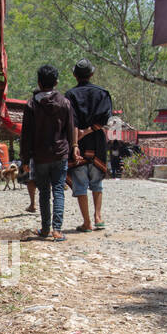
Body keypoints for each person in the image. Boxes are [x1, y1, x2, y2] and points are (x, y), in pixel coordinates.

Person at [19, 65, 77, 241]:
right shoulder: (65, 102)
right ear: (56, 82)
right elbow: (70, 128)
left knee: (44, 191)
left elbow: (26, 134)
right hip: (60, 154)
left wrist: (25, 158)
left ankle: (45, 229)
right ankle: (57, 230)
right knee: (58, 190)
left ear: (39, 82)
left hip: (40, 155)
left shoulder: (31, 105)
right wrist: (73, 148)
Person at [65, 59, 114, 231]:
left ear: (74, 75)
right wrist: (89, 131)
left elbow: (72, 121)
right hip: (98, 142)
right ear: (91, 74)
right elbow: (105, 119)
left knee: (80, 182)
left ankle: (87, 222)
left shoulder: (70, 95)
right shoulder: (102, 93)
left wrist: (75, 143)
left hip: (77, 141)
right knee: (96, 181)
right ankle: (98, 217)